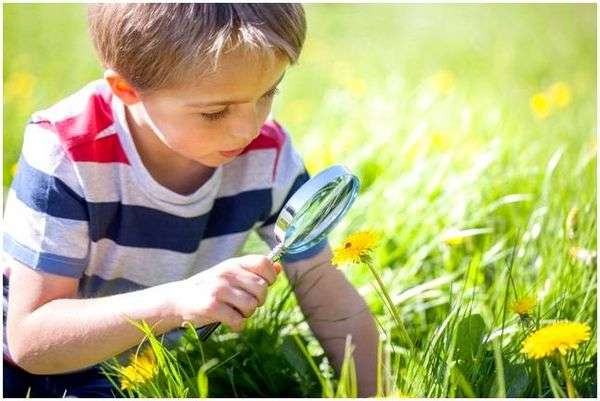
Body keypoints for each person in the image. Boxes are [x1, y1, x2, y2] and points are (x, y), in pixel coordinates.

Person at [2, 3, 378, 397]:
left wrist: (380, 392)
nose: (248, 129)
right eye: (214, 113)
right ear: (127, 89)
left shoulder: (268, 155)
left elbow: (328, 294)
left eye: (269, 92)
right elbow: (30, 341)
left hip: (139, 373)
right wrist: (177, 302)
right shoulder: (70, 152)